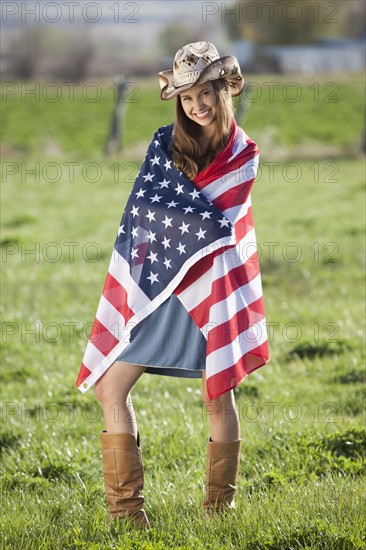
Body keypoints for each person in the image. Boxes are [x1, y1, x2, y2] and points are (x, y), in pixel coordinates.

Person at [76, 41, 269, 529]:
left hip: (210, 294)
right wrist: (170, 220)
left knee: (217, 395)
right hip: (158, 289)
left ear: (225, 90)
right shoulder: (164, 145)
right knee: (109, 387)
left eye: (206, 93)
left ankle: (218, 513)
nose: (197, 105)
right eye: (187, 97)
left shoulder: (243, 154)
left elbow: (217, 228)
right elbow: (141, 213)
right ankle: (127, 514)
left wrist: (173, 217)